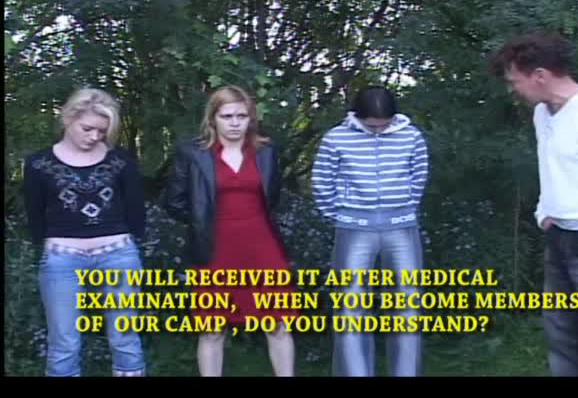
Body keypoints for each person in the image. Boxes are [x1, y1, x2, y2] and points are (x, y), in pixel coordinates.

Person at [489, 31, 578, 376]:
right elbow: (552, 167)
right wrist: (544, 211)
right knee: (564, 341)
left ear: (540, 75)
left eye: (515, 81)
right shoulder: (543, 114)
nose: (513, 90)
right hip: (558, 240)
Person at [164, 84, 296, 376]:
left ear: (251, 118)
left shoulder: (266, 151)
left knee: (278, 323)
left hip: (263, 248)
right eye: (227, 116)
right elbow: (173, 202)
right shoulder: (193, 153)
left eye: (241, 116)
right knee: (212, 329)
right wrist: (203, 222)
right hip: (215, 250)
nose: (235, 123)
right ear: (213, 118)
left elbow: (273, 197)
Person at [23, 87, 147, 377]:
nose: (94, 137)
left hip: (118, 255)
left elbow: (135, 209)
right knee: (64, 343)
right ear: (68, 118)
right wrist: (46, 248)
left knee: (125, 338)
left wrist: (131, 242)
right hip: (62, 258)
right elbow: (34, 214)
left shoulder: (121, 160)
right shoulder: (38, 164)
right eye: (87, 128)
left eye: (101, 132)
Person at [311, 85, 429, 376]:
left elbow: (418, 177)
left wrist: (403, 209)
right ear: (358, 116)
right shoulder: (336, 138)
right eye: (371, 125)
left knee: (408, 305)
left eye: (383, 125)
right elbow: (322, 182)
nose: (378, 130)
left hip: (401, 227)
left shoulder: (411, 137)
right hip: (354, 227)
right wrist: (341, 215)